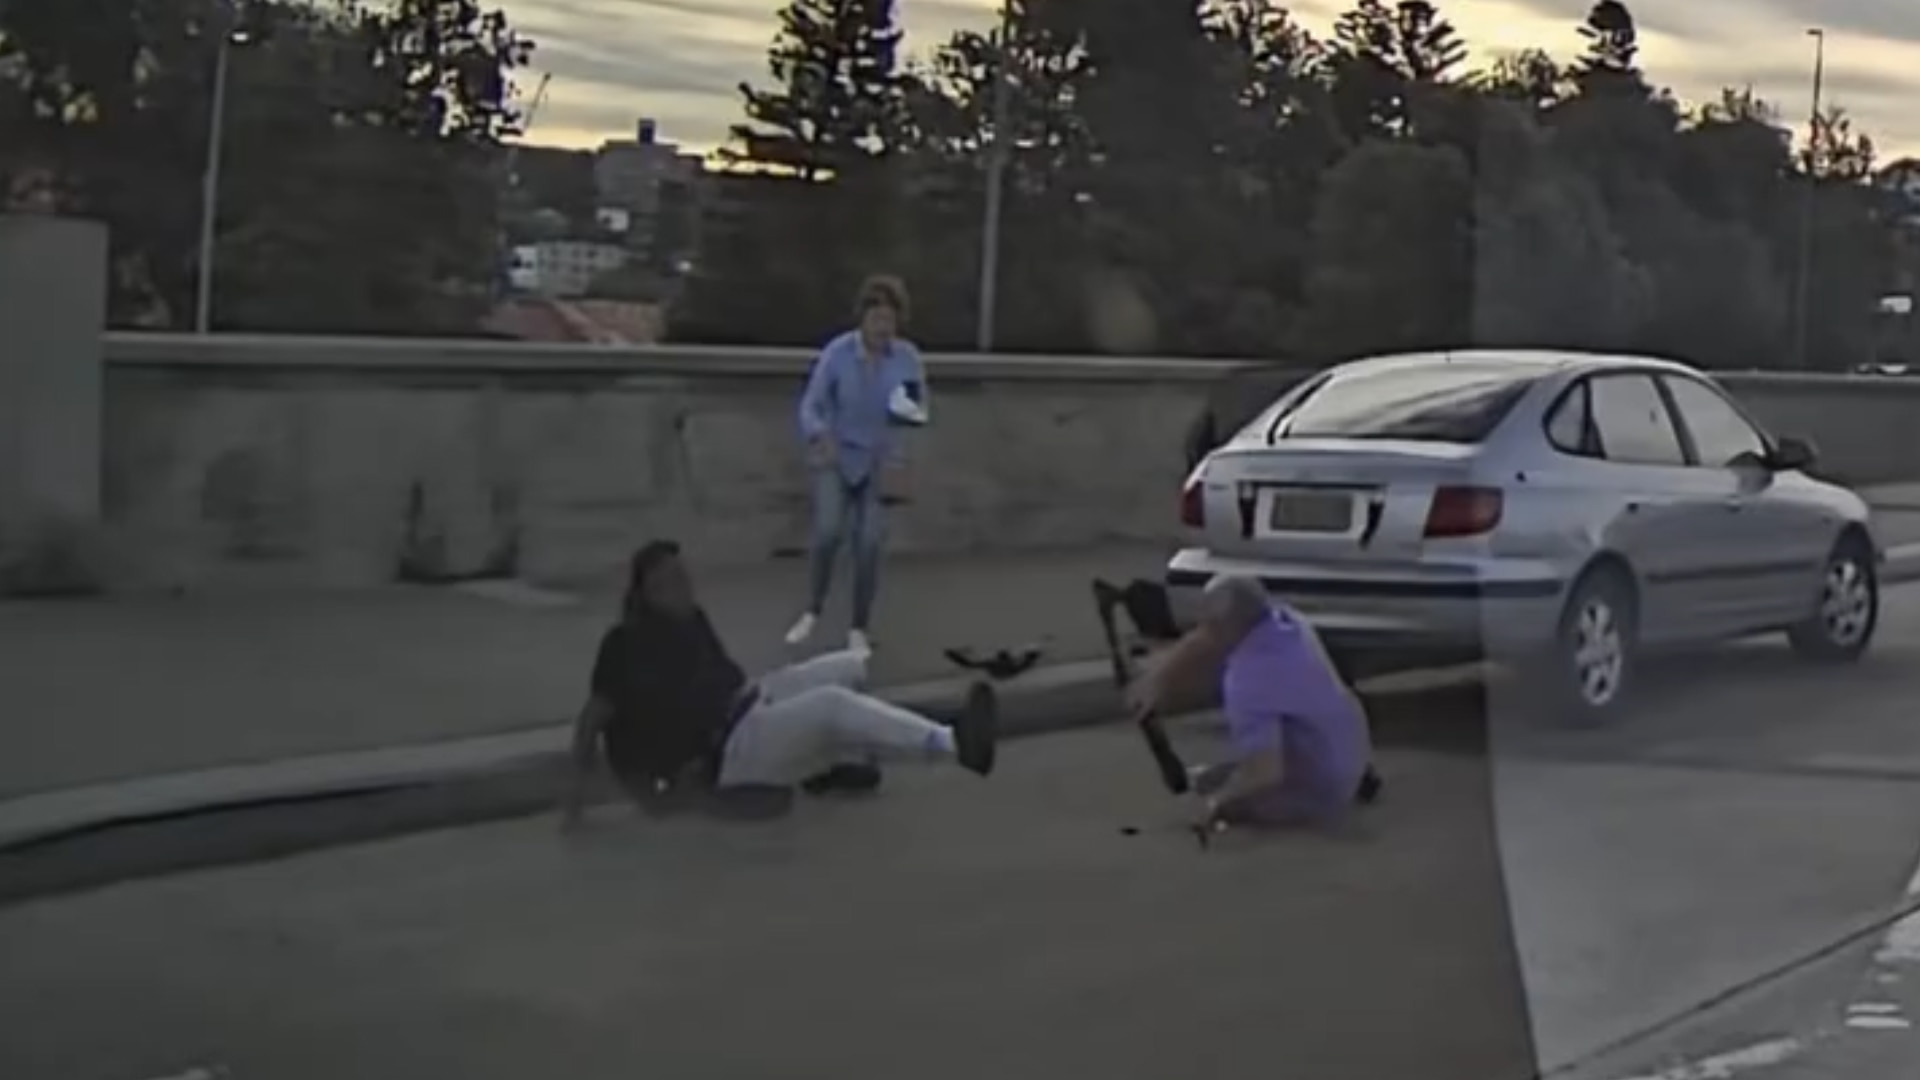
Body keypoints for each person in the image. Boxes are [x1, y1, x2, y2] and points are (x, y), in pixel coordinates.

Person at [559, 540, 996, 830]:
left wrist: (761, 693)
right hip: (722, 754)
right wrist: (575, 807)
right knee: (831, 706)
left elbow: (722, 679)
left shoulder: (691, 619)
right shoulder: (625, 645)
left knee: (851, 666)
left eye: (685, 577)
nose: (685, 588)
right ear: (646, 593)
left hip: (746, 704)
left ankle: (826, 769)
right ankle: (953, 743)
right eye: (672, 582)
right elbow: (592, 721)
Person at [1126, 574, 1380, 830]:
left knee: (1240, 793)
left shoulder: (1249, 680)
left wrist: (1216, 804)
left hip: (1325, 787)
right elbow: (1209, 635)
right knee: (1224, 770)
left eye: (1209, 623)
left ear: (1227, 627)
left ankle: (1303, 801)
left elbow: (1266, 773)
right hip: (1350, 748)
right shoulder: (1286, 619)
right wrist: (1158, 677)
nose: (1200, 626)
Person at [785, 274, 929, 655]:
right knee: (829, 532)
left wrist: (907, 415)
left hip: (879, 463)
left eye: (890, 320)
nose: (883, 328)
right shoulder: (838, 353)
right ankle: (812, 610)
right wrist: (819, 432)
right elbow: (811, 403)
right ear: (862, 319)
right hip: (837, 455)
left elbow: (916, 411)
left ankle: (858, 627)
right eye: (876, 319)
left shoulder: (907, 359)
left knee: (868, 544)